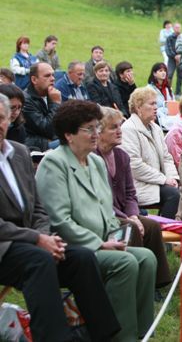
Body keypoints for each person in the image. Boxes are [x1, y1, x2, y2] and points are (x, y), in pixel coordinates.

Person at [0, 94, 120, 342]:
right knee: (39, 260)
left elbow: (38, 207)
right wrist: (37, 239)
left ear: (9, 119)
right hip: (5, 246)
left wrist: (44, 237)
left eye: (1, 118)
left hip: (30, 242)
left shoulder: (19, 152)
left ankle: (102, 335)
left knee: (82, 258)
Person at [35, 100, 157, 341]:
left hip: (103, 242)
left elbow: (106, 210)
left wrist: (115, 236)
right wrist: (99, 244)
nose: (96, 134)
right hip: (71, 248)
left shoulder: (96, 162)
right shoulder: (54, 163)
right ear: (69, 135)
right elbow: (59, 220)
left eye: (97, 127)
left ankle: (143, 333)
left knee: (146, 258)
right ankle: (120, 337)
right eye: (89, 129)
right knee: (125, 263)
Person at [96, 107, 171, 289]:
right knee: (132, 228)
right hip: (104, 215)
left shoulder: (122, 156)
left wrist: (134, 215)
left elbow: (131, 192)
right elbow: (100, 199)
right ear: (99, 132)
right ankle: (135, 282)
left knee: (152, 226)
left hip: (125, 213)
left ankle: (157, 282)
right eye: (113, 127)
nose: (119, 131)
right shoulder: (92, 157)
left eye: (120, 126)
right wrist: (129, 218)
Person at [121, 87, 180, 218]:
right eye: (152, 104)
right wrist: (164, 179)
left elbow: (166, 157)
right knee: (173, 195)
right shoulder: (128, 129)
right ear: (138, 107)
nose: (156, 108)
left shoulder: (156, 128)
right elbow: (134, 165)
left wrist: (173, 178)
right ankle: (166, 228)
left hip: (156, 182)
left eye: (156, 104)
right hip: (138, 184)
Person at [23, 63, 61, 151]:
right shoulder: (26, 100)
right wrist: (55, 103)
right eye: (47, 76)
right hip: (37, 146)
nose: (53, 78)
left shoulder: (52, 94)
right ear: (34, 79)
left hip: (52, 139)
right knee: (72, 143)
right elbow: (48, 130)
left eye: (53, 75)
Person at [147, 62, 176, 131]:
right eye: (160, 71)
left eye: (165, 71)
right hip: (157, 117)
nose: (163, 73)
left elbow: (173, 103)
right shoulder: (149, 89)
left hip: (170, 116)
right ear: (154, 73)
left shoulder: (168, 88)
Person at [165, 22, 182, 96]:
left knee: (180, 76)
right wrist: (175, 56)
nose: (177, 29)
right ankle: (168, 91)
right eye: (176, 27)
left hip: (181, 59)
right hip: (172, 59)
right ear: (173, 28)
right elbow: (168, 49)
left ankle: (178, 92)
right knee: (169, 75)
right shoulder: (170, 38)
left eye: (179, 27)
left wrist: (180, 56)